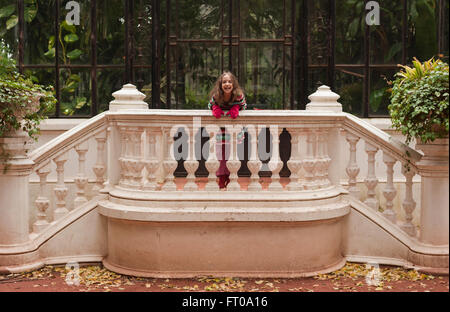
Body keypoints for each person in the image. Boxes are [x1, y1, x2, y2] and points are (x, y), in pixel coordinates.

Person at [208, 71, 247, 189]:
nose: (227, 84)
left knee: (231, 153)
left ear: (233, 84)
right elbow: (209, 105)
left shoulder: (238, 96)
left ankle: (230, 176)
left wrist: (236, 107)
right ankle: (221, 178)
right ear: (220, 85)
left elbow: (244, 105)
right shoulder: (216, 96)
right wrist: (215, 108)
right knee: (220, 154)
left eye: (230, 81)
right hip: (220, 130)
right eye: (224, 82)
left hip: (233, 130)